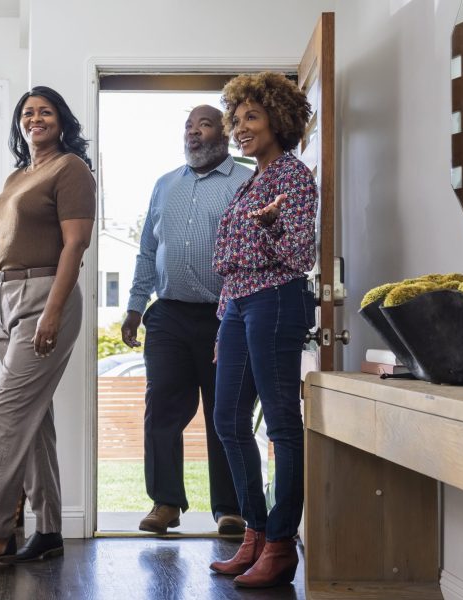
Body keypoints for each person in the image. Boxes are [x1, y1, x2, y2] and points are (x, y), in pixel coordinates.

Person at [0, 86, 96, 564]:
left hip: (45, 293)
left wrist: (52, 312)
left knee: (6, 414)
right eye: (27, 113)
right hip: (6, 296)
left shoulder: (70, 168)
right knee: (33, 420)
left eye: (45, 111)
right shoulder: (18, 176)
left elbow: (75, 245)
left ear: (61, 120)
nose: (35, 119)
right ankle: (49, 530)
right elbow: (0, 248)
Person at [207, 72, 317, 588]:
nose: (240, 127)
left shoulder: (293, 177)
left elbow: (299, 257)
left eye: (252, 116)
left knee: (279, 423)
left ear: (280, 118)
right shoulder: (252, 181)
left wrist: (273, 225)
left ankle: (279, 544)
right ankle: (253, 533)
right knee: (227, 419)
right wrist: (223, 319)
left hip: (276, 300)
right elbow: (234, 263)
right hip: (239, 304)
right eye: (237, 118)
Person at [122, 105, 250, 536]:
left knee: (225, 413)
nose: (193, 132)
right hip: (169, 315)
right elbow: (146, 251)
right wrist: (135, 307)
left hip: (225, 315)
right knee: (162, 408)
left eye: (204, 124)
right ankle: (166, 503)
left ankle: (230, 508)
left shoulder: (246, 182)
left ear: (224, 134)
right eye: (188, 126)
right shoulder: (164, 185)